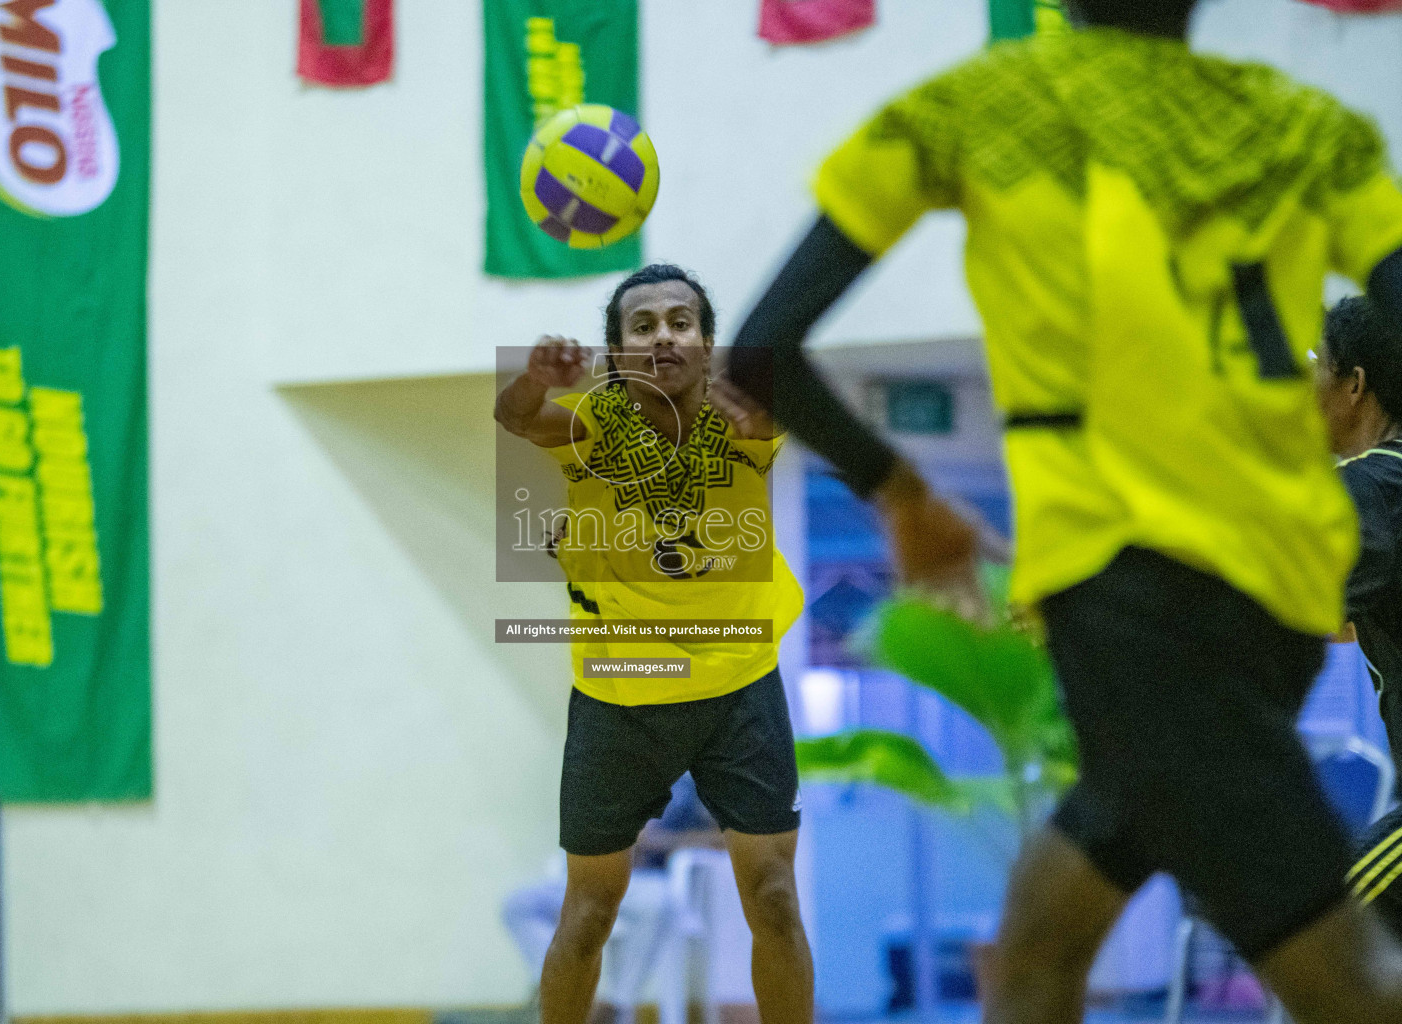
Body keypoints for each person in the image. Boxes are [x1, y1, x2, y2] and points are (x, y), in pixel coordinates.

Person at [723, 1, 1402, 1021]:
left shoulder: (973, 108)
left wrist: (905, 496)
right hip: (1268, 602)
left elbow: (764, 347)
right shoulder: (1309, 122)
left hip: (1142, 595)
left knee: (1342, 986)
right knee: (1040, 946)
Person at [494, 264, 814, 1023]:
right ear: (615, 354)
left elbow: (778, 418)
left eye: (680, 321)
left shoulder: (745, 416)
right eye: (643, 325)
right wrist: (535, 378)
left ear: (706, 343)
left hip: (738, 684)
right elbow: (514, 418)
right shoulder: (592, 425)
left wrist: (764, 422)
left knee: (772, 896)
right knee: (591, 908)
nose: (663, 335)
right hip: (620, 694)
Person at [1314, 296, 1402, 936]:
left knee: (1334, 931)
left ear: (1355, 384)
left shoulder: (1373, 488)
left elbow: (1284, 606)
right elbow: (1338, 621)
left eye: (1317, 365)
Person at [502, 774, 724, 1022]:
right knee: (519, 905)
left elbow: (723, 838)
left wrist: (654, 842)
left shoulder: (696, 777)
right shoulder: (620, 761)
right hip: (597, 876)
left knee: (657, 904)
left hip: (650, 879)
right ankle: (561, 990)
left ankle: (614, 1006)